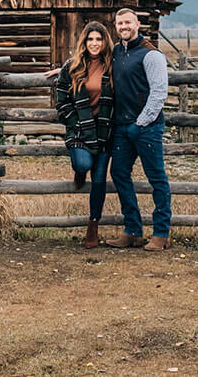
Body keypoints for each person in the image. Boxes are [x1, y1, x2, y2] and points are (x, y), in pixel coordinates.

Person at [102, 7, 172, 251]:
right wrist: (65, 70)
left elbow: (159, 93)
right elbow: (90, 62)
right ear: (116, 27)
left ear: (138, 24)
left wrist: (140, 123)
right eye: (120, 23)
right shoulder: (117, 52)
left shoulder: (150, 55)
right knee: (119, 173)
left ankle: (162, 233)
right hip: (122, 126)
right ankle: (133, 231)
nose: (124, 27)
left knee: (156, 178)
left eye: (128, 22)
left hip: (147, 127)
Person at [54, 20, 115, 247]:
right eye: (90, 39)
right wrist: (74, 122)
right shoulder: (72, 67)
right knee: (82, 164)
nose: (94, 43)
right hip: (80, 129)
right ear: (84, 41)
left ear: (104, 41)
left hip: (104, 132)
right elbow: (61, 101)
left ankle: (93, 224)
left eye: (98, 39)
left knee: (99, 180)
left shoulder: (112, 66)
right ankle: (80, 170)